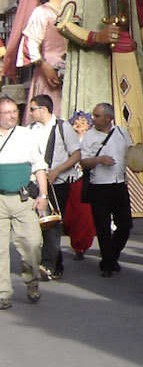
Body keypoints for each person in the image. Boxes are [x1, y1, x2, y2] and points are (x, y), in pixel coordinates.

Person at [56, 0, 143, 217]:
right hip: (99, 68)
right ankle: (91, 204)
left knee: (131, 130)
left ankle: (137, 200)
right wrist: (94, 37)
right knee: (100, 128)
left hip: (128, 65)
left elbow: (139, 26)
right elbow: (64, 23)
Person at [6, 0, 77, 115]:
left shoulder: (75, 11)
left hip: (73, 70)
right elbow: (30, 44)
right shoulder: (42, 12)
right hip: (50, 71)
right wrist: (44, 65)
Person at [0, 93, 50, 307]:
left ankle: (32, 282)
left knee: (32, 243)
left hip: (22, 199)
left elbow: (39, 166)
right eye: (7, 113)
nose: (12, 116)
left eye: (15, 112)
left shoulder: (26, 135)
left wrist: (43, 195)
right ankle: (3, 293)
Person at [27, 94, 84, 279]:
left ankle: (49, 265)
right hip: (36, 182)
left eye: (32, 109)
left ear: (43, 109)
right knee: (39, 224)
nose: (30, 113)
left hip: (58, 182)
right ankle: (51, 264)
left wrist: (57, 170)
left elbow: (76, 154)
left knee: (53, 224)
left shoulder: (62, 127)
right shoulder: (30, 130)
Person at [79, 102, 132, 277]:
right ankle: (108, 264)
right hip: (99, 186)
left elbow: (130, 153)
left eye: (97, 116)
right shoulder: (89, 136)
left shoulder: (121, 132)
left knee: (125, 225)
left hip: (119, 184)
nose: (93, 119)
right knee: (102, 227)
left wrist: (137, 163)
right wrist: (98, 160)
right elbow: (84, 162)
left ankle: (111, 256)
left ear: (108, 118)